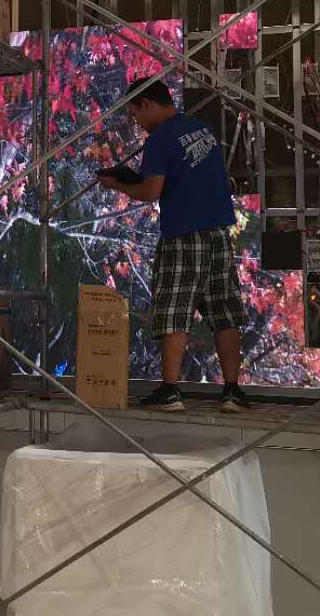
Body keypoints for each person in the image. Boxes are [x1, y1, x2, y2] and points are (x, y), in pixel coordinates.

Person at [97, 77, 250, 412]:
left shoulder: (160, 139)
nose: (136, 121)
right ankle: (233, 392)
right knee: (224, 313)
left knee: (174, 312)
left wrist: (117, 186)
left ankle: (170, 391)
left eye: (135, 113)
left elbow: (151, 191)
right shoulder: (202, 130)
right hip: (219, 234)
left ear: (148, 104)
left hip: (183, 236)